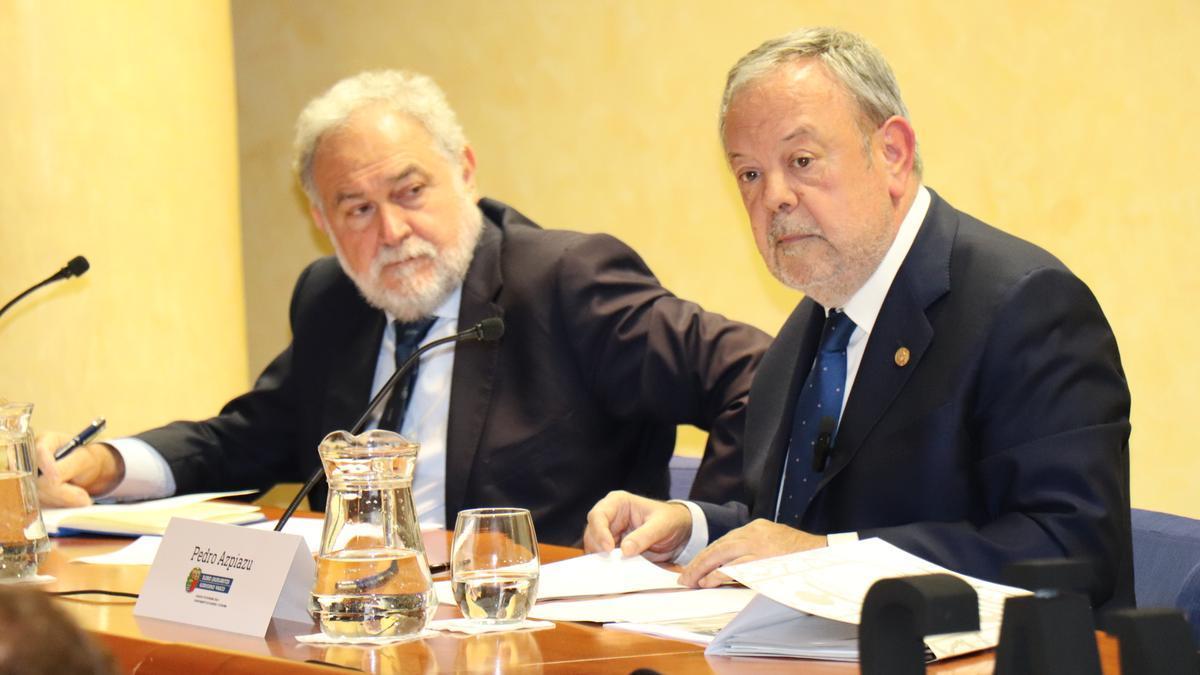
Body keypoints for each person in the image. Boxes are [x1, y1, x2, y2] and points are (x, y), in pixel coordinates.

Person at [35, 70, 770, 546]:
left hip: (529, 631)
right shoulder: (334, 298)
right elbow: (251, 433)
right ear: (321, 220)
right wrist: (107, 462)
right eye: (356, 208)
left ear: (466, 172)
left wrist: (703, 529)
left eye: (411, 192)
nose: (392, 232)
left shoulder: (564, 279)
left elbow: (757, 376)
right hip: (354, 626)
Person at [584, 27, 1133, 609]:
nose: (774, 196)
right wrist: (691, 528)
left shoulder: (1025, 306)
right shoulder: (806, 333)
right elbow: (796, 527)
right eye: (748, 173)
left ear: (892, 154)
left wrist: (824, 558)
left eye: (801, 160)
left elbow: (1070, 551)